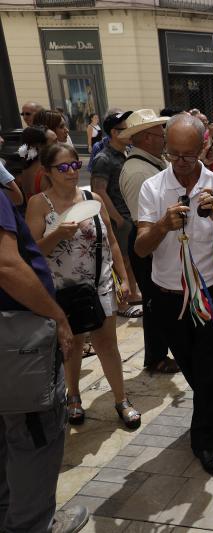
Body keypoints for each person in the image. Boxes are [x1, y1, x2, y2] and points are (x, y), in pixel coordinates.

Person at [134, 114, 213, 476]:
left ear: (204, 149)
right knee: (196, 371)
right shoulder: (152, 188)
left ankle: (204, 442)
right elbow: (141, 248)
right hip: (168, 297)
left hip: (211, 295)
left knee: (208, 373)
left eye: (188, 155)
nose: (180, 162)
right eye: (173, 154)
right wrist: (163, 225)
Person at [26, 142, 142, 430]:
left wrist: (124, 278)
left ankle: (121, 398)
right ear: (48, 172)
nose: (71, 172)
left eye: (75, 165)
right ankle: (73, 396)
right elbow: (31, 253)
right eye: (63, 167)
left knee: (107, 343)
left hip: (98, 284)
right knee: (73, 344)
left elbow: (112, 241)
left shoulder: (93, 199)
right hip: (62, 288)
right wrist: (56, 235)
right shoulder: (39, 204)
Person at [0, 178, 91, 533]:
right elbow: (7, 267)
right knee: (35, 436)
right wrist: (56, 315)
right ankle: (31, 525)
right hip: (17, 342)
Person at [118, 109, 180, 375]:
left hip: (159, 234)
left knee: (158, 300)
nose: (163, 139)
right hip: (150, 238)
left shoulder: (151, 163)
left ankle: (160, 351)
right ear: (144, 139)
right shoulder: (137, 171)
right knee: (154, 303)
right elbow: (142, 218)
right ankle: (156, 356)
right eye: (158, 135)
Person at [92, 110, 143, 317]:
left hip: (129, 215)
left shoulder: (128, 152)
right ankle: (122, 304)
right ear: (114, 132)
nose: (130, 132)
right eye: (125, 129)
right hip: (119, 217)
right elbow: (99, 190)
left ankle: (131, 293)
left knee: (129, 258)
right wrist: (117, 218)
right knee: (120, 260)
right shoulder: (103, 158)